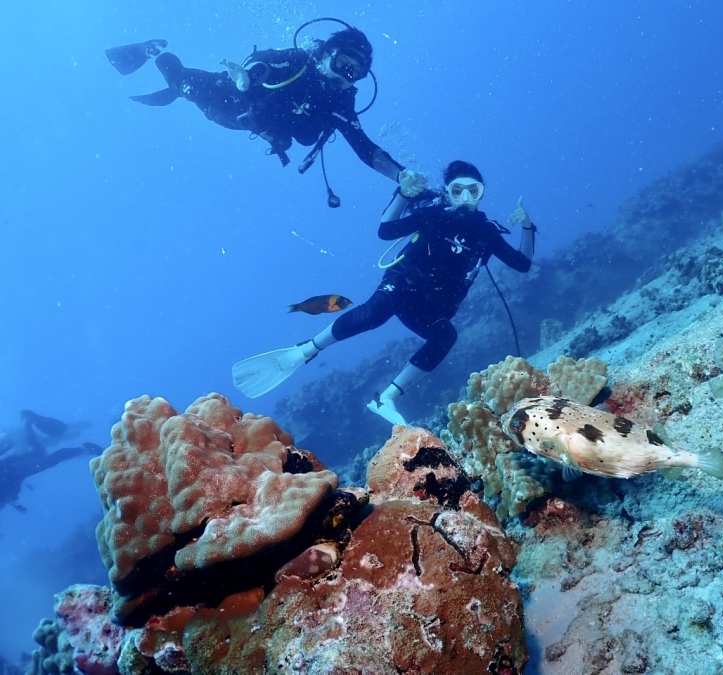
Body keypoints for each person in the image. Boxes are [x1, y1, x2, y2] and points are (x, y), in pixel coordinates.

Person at [294, 160, 536, 425]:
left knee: (445, 335)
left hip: (429, 307)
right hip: (401, 285)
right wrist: (402, 194)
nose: (465, 199)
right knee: (372, 314)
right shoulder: (434, 214)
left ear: (481, 193)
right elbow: (385, 231)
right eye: (457, 191)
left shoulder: (486, 232)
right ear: (446, 192)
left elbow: (522, 264)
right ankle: (307, 349)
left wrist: (527, 226)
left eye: (473, 191)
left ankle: (386, 398)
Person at [104, 23, 426, 200]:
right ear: (327, 54)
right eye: (343, 64)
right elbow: (266, 64)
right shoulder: (300, 62)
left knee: (182, 93)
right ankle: (154, 51)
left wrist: (401, 174)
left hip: (247, 124)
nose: (346, 76)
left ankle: (169, 77)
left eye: (355, 73)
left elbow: (365, 148)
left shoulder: (340, 104)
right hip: (226, 97)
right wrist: (246, 78)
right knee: (178, 83)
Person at [0, 410, 102, 512]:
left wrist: (13, 498)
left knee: (50, 460)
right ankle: (28, 421)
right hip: (10, 465)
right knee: (39, 452)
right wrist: (16, 503)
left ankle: (85, 449)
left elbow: (6, 491)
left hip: (14, 471)